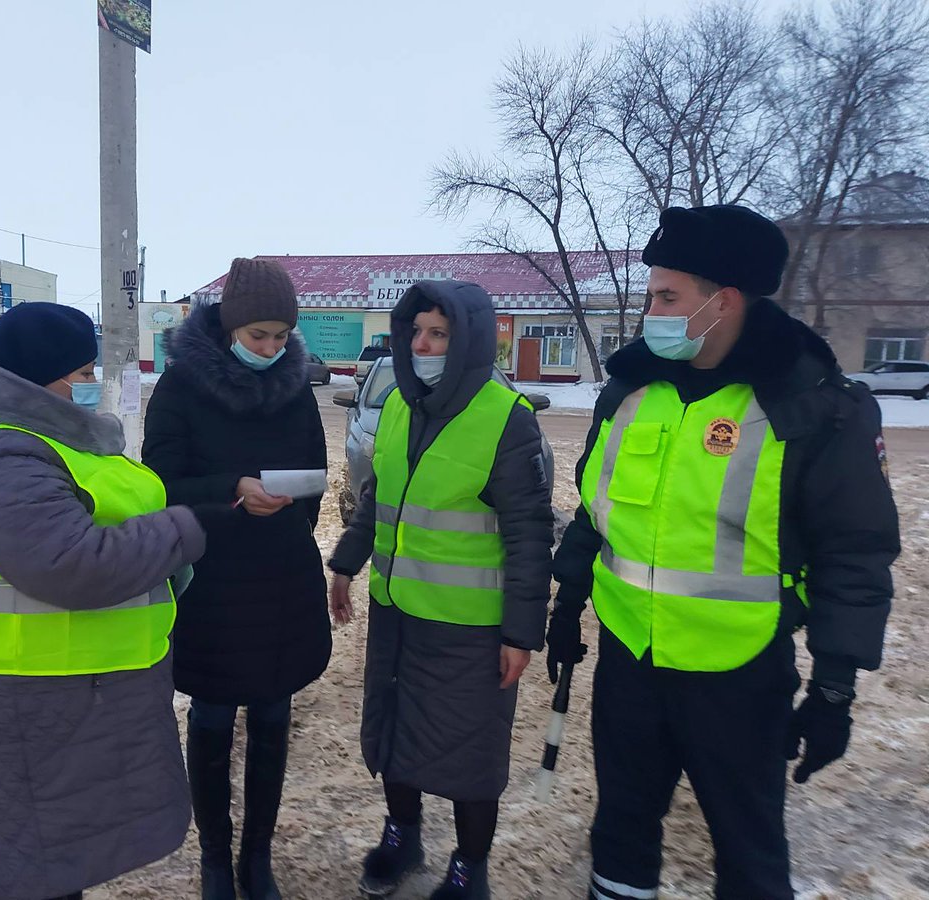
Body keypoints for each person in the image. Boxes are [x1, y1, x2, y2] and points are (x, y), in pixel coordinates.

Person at [547, 205, 901, 900]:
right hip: (630, 659)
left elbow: (855, 553)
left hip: (739, 673)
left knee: (748, 847)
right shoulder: (631, 390)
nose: (650, 313)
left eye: (666, 297)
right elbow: (597, 510)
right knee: (620, 831)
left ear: (725, 301)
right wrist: (567, 604)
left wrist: (835, 684)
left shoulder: (813, 405)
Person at [0, 302, 213, 900]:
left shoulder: (54, 440)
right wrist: (186, 528)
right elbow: (71, 564)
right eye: (80, 372)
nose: (90, 384)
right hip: (27, 692)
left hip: (78, 685)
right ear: (35, 378)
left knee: (64, 859)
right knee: (37, 868)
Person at [328, 280, 555, 900]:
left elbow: (529, 535)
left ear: (469, 342)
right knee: (395, 730)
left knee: (469, 753)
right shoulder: (400, 406)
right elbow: (381, 496)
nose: (422, 346)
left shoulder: (506, 420)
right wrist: (346, 562)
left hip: (469, 628)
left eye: (439, 335)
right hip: (398, 612)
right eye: (416, 332)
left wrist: (521, 633)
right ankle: (402, 835)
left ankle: (468, 867)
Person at [142, 257, 331, 900]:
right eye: (259, 336)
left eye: (281, 336)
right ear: (229, 328)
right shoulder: (181, 386)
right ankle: (216, 862)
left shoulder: (293, 385)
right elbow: (160, 484)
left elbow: (314, 469)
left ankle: (257, 858)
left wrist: (292, 509)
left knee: (274, 716)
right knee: (214, 717)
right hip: (212, 582)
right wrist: (232, 491)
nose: (271, 348)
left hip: (281, 579)